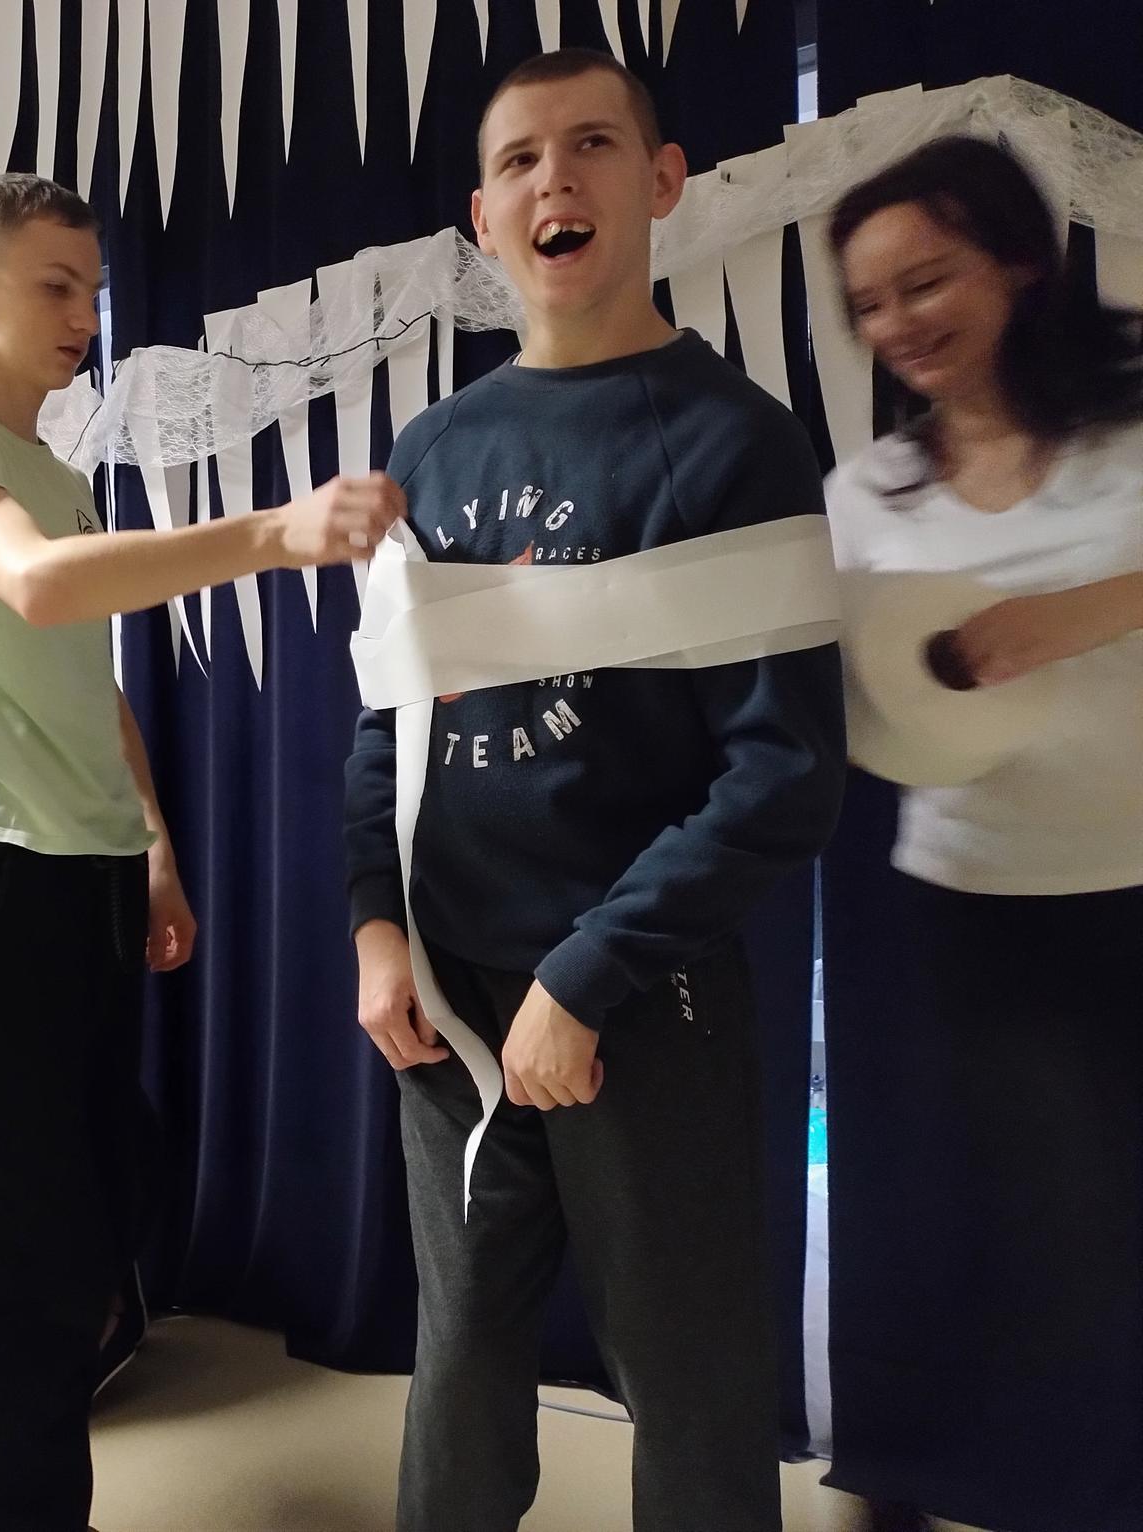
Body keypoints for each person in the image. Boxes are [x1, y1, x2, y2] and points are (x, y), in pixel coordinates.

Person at [342, 49, 846, 1532]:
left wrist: (585, 974)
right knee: (458, 1365)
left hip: (644, 1006)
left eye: (592, 146)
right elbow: (385, 727)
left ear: (662, 180)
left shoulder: (736, 442)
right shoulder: (431, 451)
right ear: (483, 218)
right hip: (446, 1004)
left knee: (690, 1391)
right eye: (517, 160)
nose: (552, 179)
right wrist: (376, 929)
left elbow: (785, 770)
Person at [0, 172, 402, 1531]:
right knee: (20, 1243)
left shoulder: (55, 472)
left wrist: (155, 844)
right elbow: (38, 583)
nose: (83, 314)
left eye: (93, 290)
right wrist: (273, 534)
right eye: (54, 284)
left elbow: (87, 681)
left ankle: (47, 1484)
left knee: (87, 1217)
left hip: (91, 871)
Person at [820, 135, 1143, 1532]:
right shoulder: (866, 495)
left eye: (925, 280)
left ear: (1017, 259)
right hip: (977, 906)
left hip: (1138, 879)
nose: (898, 322)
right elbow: (842, 692)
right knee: (1053, 1242)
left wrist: (1064, 618)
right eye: (868, 303)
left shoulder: (1129, 433)